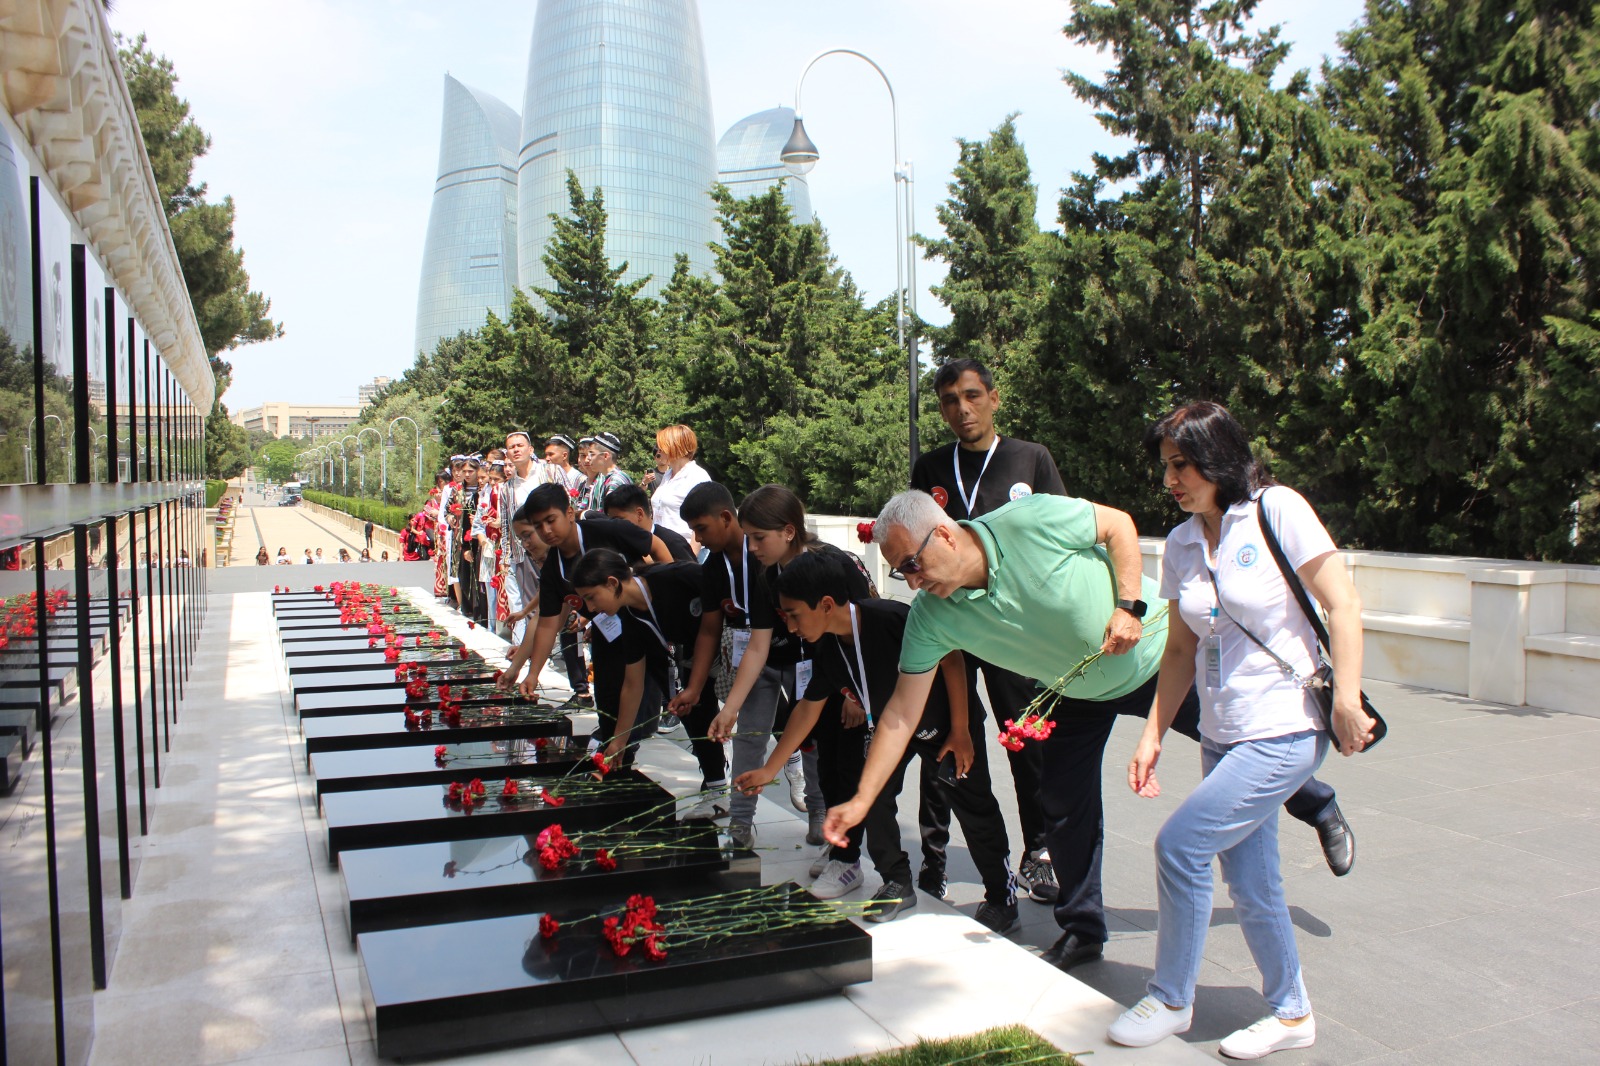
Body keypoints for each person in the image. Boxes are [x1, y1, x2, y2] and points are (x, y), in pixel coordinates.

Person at [826, 487, 1349, 975]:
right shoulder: (931, 617)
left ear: (942, 534)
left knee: (1238, 747)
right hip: (1073, 691)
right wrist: (861, 800)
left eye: (913, 565)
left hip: (1153, 659)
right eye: (902, 574)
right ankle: (1082, 929)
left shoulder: (1026, 521)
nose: (914, 582)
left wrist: (1128, 606)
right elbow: (899, 713)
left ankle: (1316, 803)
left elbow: (1117, 525)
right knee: (1062, 802)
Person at [1106, 401, 1374, 1057]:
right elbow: (1178, 651)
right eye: (1166, 467)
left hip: (1285, 725)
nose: (1172, 478)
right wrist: (1153, 735)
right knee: (1252, 883)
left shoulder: (1276, 511)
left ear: (1219, 456)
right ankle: (1291, 1013)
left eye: (1184, 464)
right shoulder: (1181, 543)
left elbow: (1343, 604)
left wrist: (1347, 696)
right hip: (1224, 729)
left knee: (1181, 846)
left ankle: (1172, 997)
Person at [739, 552, 1020, 928]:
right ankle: (896, 881)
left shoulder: (891, 619)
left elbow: (952, 658)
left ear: (825, 605)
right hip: (892, 731)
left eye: (794, 615)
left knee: (974, 806)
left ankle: (1002, 894)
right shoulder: (826, 645)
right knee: (870, 797)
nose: (790, 627)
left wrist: (961, 729)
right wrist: (771, 768)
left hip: (946, 728)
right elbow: (809, 707)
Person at [910, 357, 1065, 904]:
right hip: (954, 627)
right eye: (951, 400)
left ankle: (1041, 848)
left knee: (1025, 740)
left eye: (973, 396)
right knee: (945, 738)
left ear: (994, 398)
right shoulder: (930, 466)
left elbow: (1062, 539)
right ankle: (935, 860)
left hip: (1014, 630)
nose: (963, 408)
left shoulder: (1031, 460)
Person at [719, 485, 871, 896]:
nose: (751, 547)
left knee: (847, 768)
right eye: (748, 537)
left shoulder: (836, 564)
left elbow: (864, 625)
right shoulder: (770, 575)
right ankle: (841, 850)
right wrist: (731, 706)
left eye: (758, 538)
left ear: (789, 531)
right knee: (823, 764)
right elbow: (759, 642)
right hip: (817, 680)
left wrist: (856, 695)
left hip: (849, 685)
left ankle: (850, 858)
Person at [671, 481, 807, 849]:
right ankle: (741, 824)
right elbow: (710, 629)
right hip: (753, 654)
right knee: (748, 737)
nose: (696, 537)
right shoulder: (714, 566)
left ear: (726, 517)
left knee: (811, 736)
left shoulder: (770, 555)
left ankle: (819, 813)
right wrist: (696, 688)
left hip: (798, 654)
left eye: (701, 528)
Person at [498, 484, 673, 759]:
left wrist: (665, 599)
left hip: (642, 624)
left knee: (645, 702)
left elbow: (657, 546)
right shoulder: (554, 567)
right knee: (607, 700)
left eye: (550, 520)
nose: (546, 531)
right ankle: (617, 757)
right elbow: (547, 623)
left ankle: (632, 741)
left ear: (569, 513)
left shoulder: (606, 531)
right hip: (606, 632)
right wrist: (532, 674)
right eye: (538, 525)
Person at [571, 548, 728, 807]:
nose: (591, 608)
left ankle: (795, 765)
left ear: (612, 583)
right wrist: (619, 740)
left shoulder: (677, 576)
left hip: (730, 645)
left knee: (771, 709)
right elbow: (633, 684)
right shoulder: (628, 615)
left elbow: (722, 597)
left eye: (591, 597)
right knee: (695, 715)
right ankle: (717, 791)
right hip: (692, 659)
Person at [501, 431, 559, 645]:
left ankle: (561, 646)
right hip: (524, 551)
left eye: (519, 445)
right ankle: (539, 647)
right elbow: (506, 523)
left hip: (552, 545)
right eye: (511, 447)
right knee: (531, 602)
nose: (516, 450)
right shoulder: (507, 487)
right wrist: (507, 556)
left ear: (530, 449)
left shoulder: (549, 472)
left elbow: (566, 501)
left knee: (556, 596)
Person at [644, 424, 710, 542]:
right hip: (664, 549)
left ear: (675, 447)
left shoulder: (697, 476)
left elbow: (703, 522)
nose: (658, 451)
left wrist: (691, 557)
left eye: (662, 446)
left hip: (685, 550)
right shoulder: (668, 475)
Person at [602, 484, 695, 562]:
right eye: (611, 521)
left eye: (619, 520)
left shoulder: (673, 543)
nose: (615, 525)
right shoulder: (619, 545)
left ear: (639, 514)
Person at [581, 431, 633, 515]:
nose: (588, 459)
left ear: (605, 456)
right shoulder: (600, 479)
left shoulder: (616, 481)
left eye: (592, 454)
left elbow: (610, 517)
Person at [544, 434, 588, 500]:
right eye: (546, 455)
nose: (547, 458)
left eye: (551, 454)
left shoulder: (580, 479)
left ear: (564, 455)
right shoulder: (545, 475)